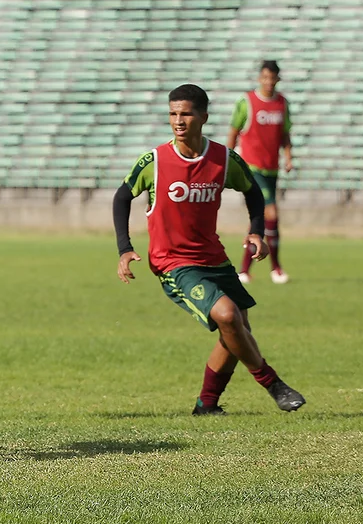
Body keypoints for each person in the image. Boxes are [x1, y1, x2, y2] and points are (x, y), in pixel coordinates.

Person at [112, 84, 306, 416]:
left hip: (213, 257)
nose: (178, 120)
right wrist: (124, 249)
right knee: (228, 316)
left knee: (237, 329)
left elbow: (254, 193)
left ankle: (207, 405)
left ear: (203, 116)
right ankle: (273, 383)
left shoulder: (222, 158)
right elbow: (121, 198)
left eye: (185, 113)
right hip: (172, 262)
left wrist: (256, 232)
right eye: (173, 113)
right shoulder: (155, 160)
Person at [227, 60, 294, 284]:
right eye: (264, 77)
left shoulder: (282, 103)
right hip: (251, 167)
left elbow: (285, 134)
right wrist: (228, 157)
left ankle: (245, 269)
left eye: (272, 78)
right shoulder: (247, 101)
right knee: (271, 213)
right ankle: (276, 268)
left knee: (259, 217)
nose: (268, 81)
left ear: (277, 79)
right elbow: (234, 130)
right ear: (259, 78)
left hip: (271, 169)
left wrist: (288, 157)